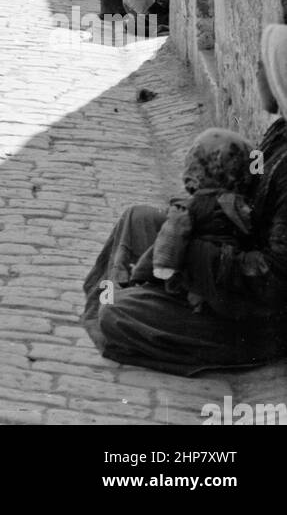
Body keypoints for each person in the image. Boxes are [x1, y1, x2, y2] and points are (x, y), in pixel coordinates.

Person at [82, 25, 287, 375]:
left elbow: (274, 277)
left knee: (118, 312)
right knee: (138, 218)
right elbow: (250, 182)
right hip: (225, 255)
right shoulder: (278, 132)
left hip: (251, 319)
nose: (255, 71)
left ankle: (139, 299)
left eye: (262, 64)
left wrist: (191, 252)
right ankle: (144, 292)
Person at [129, 129, 254, 312]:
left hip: (205, 265)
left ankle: (137, 280)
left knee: (160, 247)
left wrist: (159, 268)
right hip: (224, 264)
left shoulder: (189, 207)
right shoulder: (236, 204)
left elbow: (170, 238)